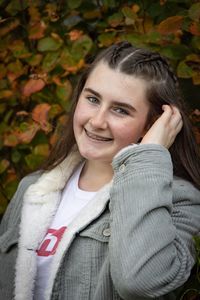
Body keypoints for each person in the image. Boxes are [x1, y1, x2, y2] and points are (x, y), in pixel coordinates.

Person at [0, 41, 200, 300]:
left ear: (151, 125)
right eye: (93, 99)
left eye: (120, 110)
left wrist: (149, 155)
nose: (97, 121)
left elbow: (138, 283)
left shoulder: (180, 201)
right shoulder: (33, 188)